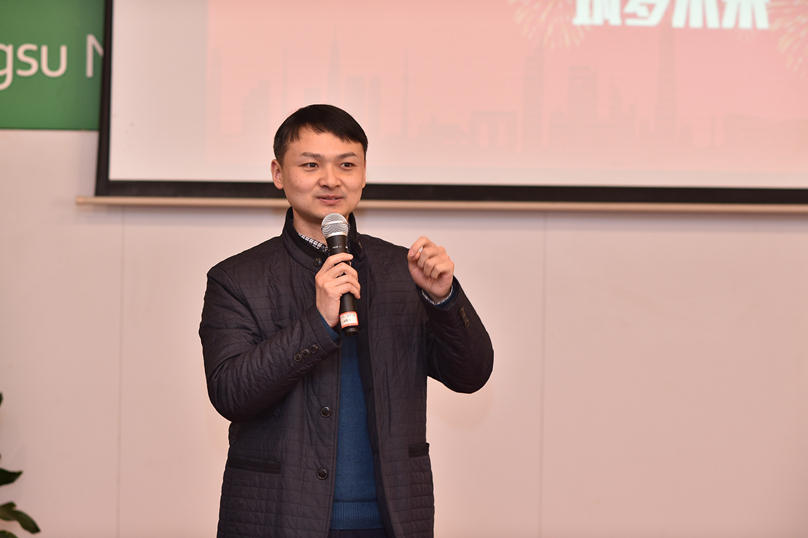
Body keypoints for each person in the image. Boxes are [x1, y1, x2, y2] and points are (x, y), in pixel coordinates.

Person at [199, 104, 493, 538]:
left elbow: (470, 375)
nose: (331, 180)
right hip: (279, 517)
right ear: (279, 174)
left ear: (364, 173)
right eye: (311, 165)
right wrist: (318, 323)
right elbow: (231, 393)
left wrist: (443, 298)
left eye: (346, 165)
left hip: (392, 519)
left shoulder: (403, 270)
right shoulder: (237, 278)